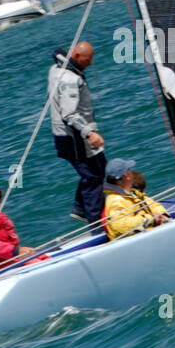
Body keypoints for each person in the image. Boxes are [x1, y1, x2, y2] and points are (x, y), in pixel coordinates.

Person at [48, 42, 106, 222]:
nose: (90, 63)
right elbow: (69, 114)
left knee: (101, 169)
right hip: (73, 137)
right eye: (88, 60)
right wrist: (89, 133)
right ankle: (96, 222)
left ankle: (81, 209)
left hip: (67, 135)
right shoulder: (70, 79)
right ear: (77, 56)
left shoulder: (55, 69)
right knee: (93, 176)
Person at [103, 158, 170, 241]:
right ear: (126, 175)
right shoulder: (116, 200)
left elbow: (152, 204)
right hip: (136, 241)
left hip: (147, 234)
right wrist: (150, 219)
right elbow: (120, 225)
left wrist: (162, 214)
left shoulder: (131, 193)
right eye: (129, 170)